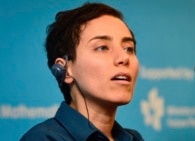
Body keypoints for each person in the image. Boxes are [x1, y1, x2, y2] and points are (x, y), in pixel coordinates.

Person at [20, 2, 144, 141]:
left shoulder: (134, 138)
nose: (124, 58)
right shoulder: (43, 138)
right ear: (65, 70)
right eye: (102, 47)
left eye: (129, 48)